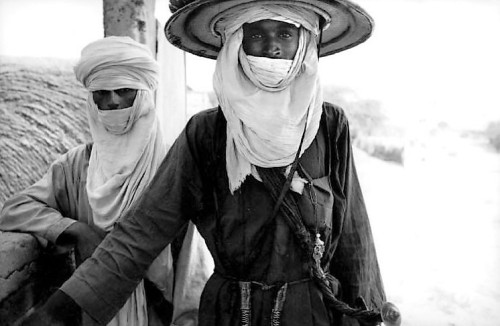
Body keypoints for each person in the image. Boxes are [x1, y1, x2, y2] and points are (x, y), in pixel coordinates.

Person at [18, 1, 403, 326]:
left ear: (305, 44)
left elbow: (353, 234)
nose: (271, 48)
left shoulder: (329, 126)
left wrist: (371, 307)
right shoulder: (206, 134)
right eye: (256, 34)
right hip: (231, 313)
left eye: (285, 35)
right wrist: (61, 310)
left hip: (314, 314)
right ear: (235, 43)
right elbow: (142, 232)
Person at [1, 36, 213, 326]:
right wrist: (74, 230)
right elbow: (15, 209)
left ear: (144, 95)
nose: (112, 101)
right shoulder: (76, 166)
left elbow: (193, 268)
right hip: (92, 310)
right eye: (101, 92)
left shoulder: (174, 166)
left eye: (124, 90)